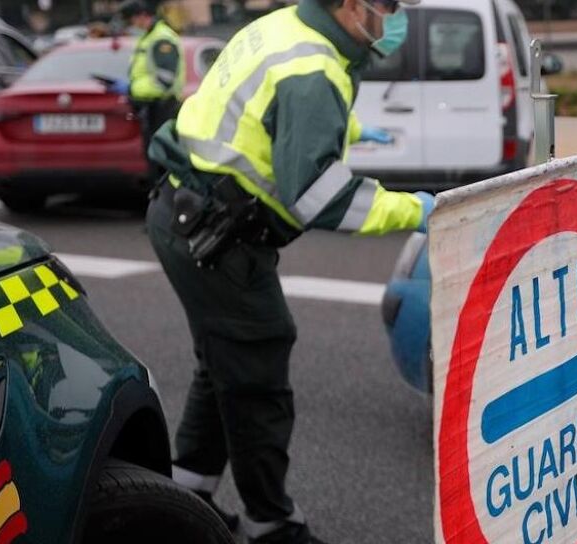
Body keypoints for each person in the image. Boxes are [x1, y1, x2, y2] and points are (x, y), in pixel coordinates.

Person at [143, 0, 422, 540]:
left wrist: (354, 129)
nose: (395, 17)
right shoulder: (313, 71)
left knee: (223, 357)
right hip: (215, 234)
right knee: (258, 354)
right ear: (348, 6)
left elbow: (271, 110)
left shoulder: (287, 26)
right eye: (387, 5)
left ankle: (185, 494)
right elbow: (318, 197)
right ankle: (269, 522)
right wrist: (418, 210)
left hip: (186, 213)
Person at [109, 0, 183, 179]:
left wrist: (131, 88)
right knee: (154, 163)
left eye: (131, 21)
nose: (131, 26)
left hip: (164, 109)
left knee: (163, 166)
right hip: (151, 109)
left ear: (143, 16)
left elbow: (164, 81)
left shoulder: (161, 39)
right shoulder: (149, 37)